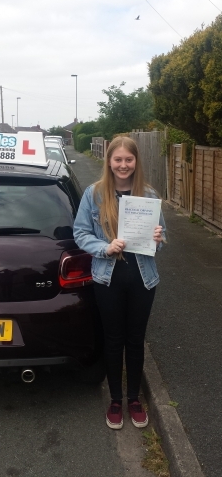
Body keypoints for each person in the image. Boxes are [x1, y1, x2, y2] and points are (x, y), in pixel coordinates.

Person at [73, 136, 166, 430]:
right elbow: (80, 233)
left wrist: (158, 238)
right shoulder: (94, 194)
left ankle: (134, 399)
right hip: (107, 277)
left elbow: (161, 241)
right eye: (118, 160)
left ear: (136, 161)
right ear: (109, 162)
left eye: (128, 159)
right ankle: (115, 400)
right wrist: (105, 247)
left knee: (135, 340)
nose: (123, 165)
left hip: (142, 278)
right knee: (113, 340)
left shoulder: (148, 195)